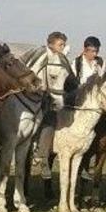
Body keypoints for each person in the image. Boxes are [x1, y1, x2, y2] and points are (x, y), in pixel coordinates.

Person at [33, 31, 68, 199]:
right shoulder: (43, 58)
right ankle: (40, 154)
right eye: (60, 44)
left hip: (56, 100)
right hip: (39, 99)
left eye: (63, 44)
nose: (62, 48)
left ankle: (43, 155)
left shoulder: (63, 61)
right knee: (48, 121)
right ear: (51, 45)